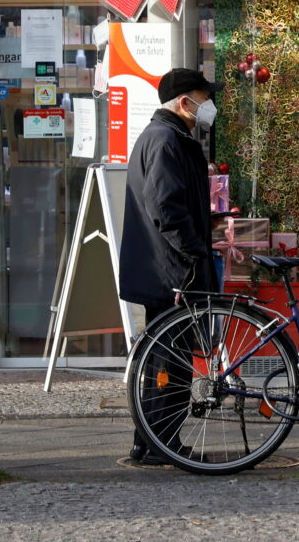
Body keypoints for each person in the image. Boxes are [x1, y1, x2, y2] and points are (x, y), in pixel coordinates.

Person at [117, 68, 221, 466]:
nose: (209, 105)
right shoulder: (165, 139)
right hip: (172, 270)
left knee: (166, 358)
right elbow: (165, 207)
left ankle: (152, 441)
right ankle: (159, 443)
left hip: (166, 267)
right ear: (184, 102)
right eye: (204, 97)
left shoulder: (166, 136)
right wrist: (194, 251)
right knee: (169, 362)